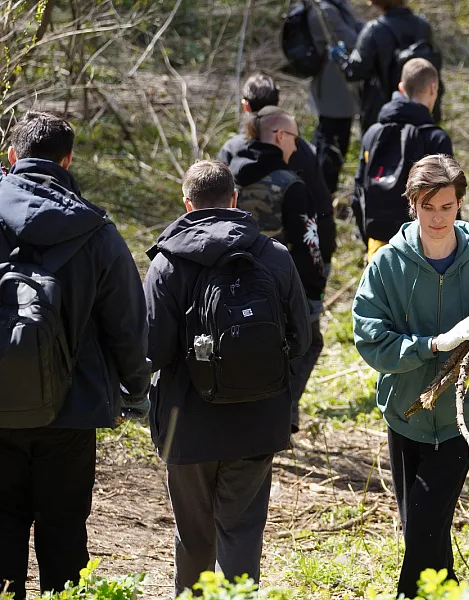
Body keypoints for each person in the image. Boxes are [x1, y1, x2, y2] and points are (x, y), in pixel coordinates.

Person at [353, 154, 469, 598]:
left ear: (460, 204)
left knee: (425, 524)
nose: (438, 217)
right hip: (405, 411)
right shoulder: (387, 263)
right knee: (422, 527)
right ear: (412, 203)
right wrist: (432, 344)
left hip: (461, 414)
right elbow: (370, 339)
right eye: (428, 207)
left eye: (447, 206)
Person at [0, 111, 151, 600]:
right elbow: (128, 325)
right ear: (68, 160)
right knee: (64, 532)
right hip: (73, 408)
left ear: (11, 156)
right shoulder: (96, 232)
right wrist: (135, 388)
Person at [144, 160, 311, 593]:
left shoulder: (167, 262)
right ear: (234, 200)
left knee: (194, 535)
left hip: (187, 428)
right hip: (257, 424)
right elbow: (302, 337)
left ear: (187, 205)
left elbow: (153, 350)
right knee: (241, 533)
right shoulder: (274, 255)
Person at [222, 106, 325, 432]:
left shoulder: (227, 176)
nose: (297, 146)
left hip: (227, 285)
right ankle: (282, 411)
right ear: (280, 136)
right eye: (295, 138)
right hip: (282, 288)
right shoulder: (291, 185)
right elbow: (309, 246)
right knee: (309, 341)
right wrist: (315, 287)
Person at [217, 73, 336, 270]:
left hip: (235, 264)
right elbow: (321, 206)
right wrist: (325, 256)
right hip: (288, 268)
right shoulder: (300, 149)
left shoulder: (229, 151)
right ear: (278, 103)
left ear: (245, 106)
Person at [352, 57, 452, 260]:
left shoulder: (372, 134)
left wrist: (369, 235)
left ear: (401, 88)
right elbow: (448, 198)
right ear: (434, 87)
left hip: (379, 250)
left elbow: (358, 194)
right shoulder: (436, 139)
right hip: (425, 254)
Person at [332, 0, 442, 131]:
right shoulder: (423, 26)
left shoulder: (374, 29)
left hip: (383, 116)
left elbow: (355, 71)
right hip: (420, 114)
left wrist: (341, 57)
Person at [307, 0, 362, 194]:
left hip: (335, 90)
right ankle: (322, 198)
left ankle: (321, 194)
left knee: (328, 142)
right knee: (332, 147)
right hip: (335, 92)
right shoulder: (326, 10)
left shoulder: (334, 6)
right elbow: (353, 40)